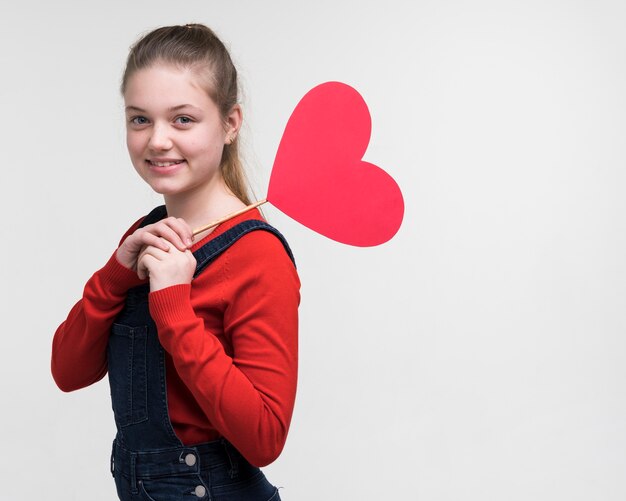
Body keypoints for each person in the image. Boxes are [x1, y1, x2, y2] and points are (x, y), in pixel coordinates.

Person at [51, 24, 299, 501]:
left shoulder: (257, 254)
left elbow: (266, 436)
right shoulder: (145, 236)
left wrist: (174, 310)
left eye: (182, 119)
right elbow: (68, 372)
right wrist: (113, 278)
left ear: (230, 123)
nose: (158, 141)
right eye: (140, 119)